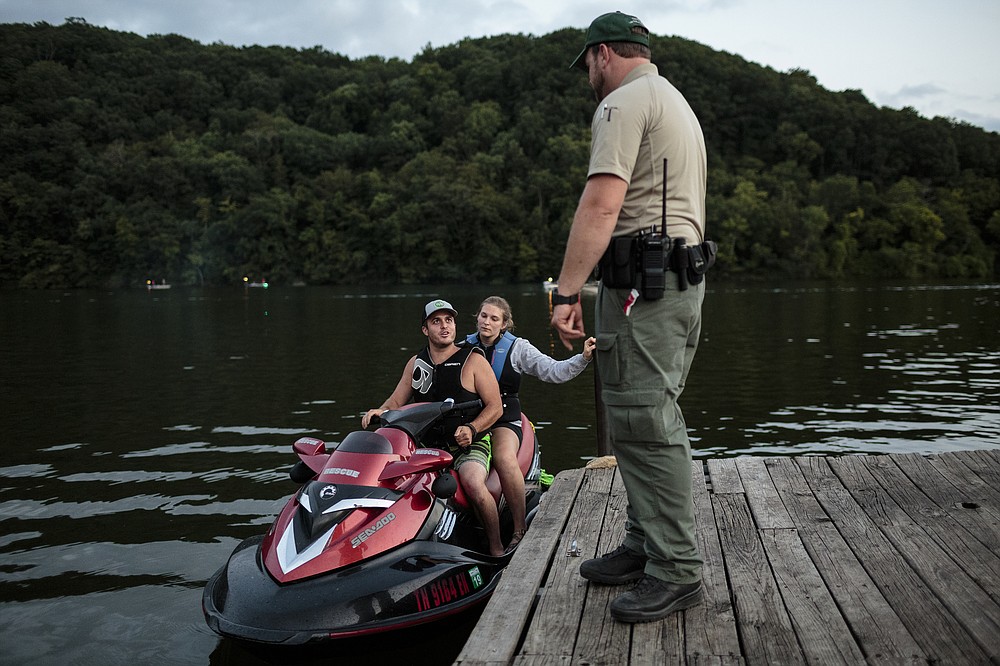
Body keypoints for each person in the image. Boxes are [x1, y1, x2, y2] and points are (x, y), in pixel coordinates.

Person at [551, 11, 710, 623]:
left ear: (603, 54)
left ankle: (676, 569)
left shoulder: (621, 103)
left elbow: (601, 201)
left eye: (587, 64)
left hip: (644, 287)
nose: (587, 77)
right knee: (645, 415)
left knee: (644, 419)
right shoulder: (676, 103)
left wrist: (566, 294)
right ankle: (646, 546)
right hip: (675, 281)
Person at [362, 299, 505, 556]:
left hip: (468, 444)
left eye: (448, 320)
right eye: (436, 321)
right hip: (427, 448)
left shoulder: (472, 360)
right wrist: (379, 411)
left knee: (472, 482)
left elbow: (496, 407)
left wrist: (472, 429)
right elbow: (396, 402)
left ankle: (496, 548)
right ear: (425, 330)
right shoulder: (416, 363)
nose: (444, 326)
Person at [465, 296, 596, 551]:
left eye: (494, 319)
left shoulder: (518, 348)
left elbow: (554, 371)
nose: (486, 323)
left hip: (504, 419)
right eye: (483, 316)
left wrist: (583, 358)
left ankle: (518, 528)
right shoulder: (463, 347)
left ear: (504, 325)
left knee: (503, 458)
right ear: (477, 317)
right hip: (473, 420)